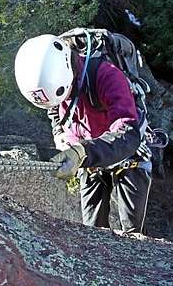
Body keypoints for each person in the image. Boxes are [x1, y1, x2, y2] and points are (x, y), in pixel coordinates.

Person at [14, 33, 152, 233]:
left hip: (126, 155)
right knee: (92, 232)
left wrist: (81, 152)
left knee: (132, 232)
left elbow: (128, 133)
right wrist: (62, 139)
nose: (65, 99)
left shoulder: (108, 76)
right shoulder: (54, 83)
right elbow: (54, 111)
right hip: (88, 158)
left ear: (69, 73)